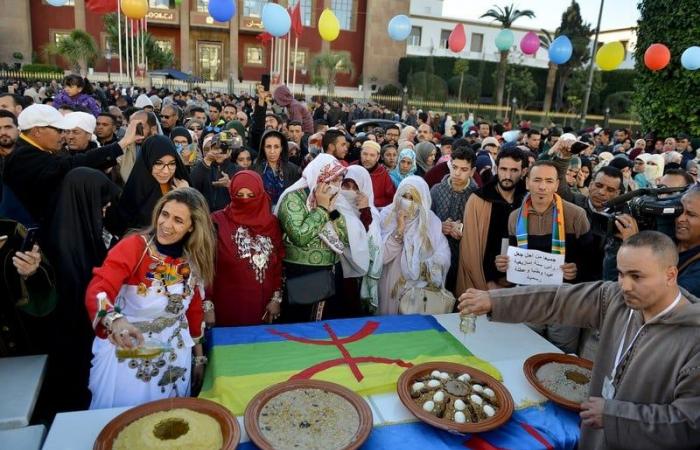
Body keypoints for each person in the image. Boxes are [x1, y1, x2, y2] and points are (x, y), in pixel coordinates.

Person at [458, 231, 700, 450]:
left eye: (637, 276)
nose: (625, 285)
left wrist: (614, 416)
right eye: (621, 274)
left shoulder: (694, 340)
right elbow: (557, 300)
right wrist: (495, 300)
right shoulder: (616, 299)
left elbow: (689, 424)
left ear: (670, 275)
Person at [85, 188, 215, 408]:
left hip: (176, 355)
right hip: (131, 350)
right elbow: (98, 289)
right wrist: (115, 320)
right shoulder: (134, 247)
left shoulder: (193, 259)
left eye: (178, 220)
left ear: (192, 226)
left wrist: (199, 358)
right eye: (164, 214)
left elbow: (193, 311)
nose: (166, 224)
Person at [44, 168, 120, 412]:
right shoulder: (57, 241)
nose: (105, 209)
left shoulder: (88, 227)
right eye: (101, 203)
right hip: (73, 338)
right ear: (84, 200)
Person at [496, 161, 591, 353]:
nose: (542, 186)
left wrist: (577, 269)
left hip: (565, 301)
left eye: (549, 181)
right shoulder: (515, 218)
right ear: (527, 183)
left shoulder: (576, 215)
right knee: (527, 348)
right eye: (537, 180)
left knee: (562, 352)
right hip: (529, 298)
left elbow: (591, 259)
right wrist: (503, 264)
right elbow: (512, 257)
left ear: (557, 184)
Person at [1, 104, 138, 229]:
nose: (64, 136)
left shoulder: (31, 150)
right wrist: (122, 143)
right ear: (37, 131)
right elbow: (68, 166)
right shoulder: (24, 155)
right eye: (59, 130)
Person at [275, 154, 349, 322]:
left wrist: (331, 210)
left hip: (331, 271)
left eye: (339, 180)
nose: (336, 185)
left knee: (330, 327)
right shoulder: (293, 199)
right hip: (304, 274)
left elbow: (343, 237)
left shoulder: (332, 199)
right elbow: (300, 237)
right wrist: (322, 209)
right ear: (319, 177)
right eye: (332, 179)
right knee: (303, 328)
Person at [208, 171, 284, 326]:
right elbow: (206, 265)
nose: (244, 201)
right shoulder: (218, 221)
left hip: (264, 307)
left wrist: (276, 298)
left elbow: (277, 264)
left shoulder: (272, 224)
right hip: (228, 306)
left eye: (251, 196)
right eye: (239, 195)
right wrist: (207, 304)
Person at [456, 148, 527, 293]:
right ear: (496, 168)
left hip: (520, 289)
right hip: (483, 285)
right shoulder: (479, 200)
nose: (507, 175)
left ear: (524, 172)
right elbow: (470, 251)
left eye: (514, 170)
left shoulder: (527, 201)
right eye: (503, 169)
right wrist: (486, 286)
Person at [379, 176, 450, 315]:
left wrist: (425, 266)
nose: (407, 202)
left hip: (420, 288)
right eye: (404, 196)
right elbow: (382, 257)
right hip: (392, 284)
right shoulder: (387, 216)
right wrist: (399, 229)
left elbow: (444, 254)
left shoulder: (431, 221)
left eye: (413, 198)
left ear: (422, 200)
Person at [114, 135, 190, 235]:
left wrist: (187, 196)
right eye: (158, 163)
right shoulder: (135, 192)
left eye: (172, 164)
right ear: (147, 162)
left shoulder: (181, 184)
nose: (166, 171)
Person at [430, 147, 476, 294]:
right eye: (454, 167)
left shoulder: (477, 195)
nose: (457, 173)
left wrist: (462, 229)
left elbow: (482, 229)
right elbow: (425, 220)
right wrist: (439, 226)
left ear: (472, 171)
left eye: (464, 169)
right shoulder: (436, 190)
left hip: (464, 260)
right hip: (435, 257)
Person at [342, 166, 384, 314]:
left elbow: (368, 238)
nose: (350, 191)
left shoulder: (372, 212)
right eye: (346, 186)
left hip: (361, 274)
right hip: (339, 270)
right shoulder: (334, 208)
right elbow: (339, 229)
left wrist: (364, 210)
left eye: (356, 188)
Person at [252, 130, 301, 208]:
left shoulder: (293, 169)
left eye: (276, 147)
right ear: (263, 148)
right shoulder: (254, 170)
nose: (272, 151)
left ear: (281, 148)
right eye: (268, 146)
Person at [190, 134, 239, 212]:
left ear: (229, 151)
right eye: (216, 148)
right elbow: (192, 186)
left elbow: (241, 196)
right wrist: (206, 161)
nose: (219, 152)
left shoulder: (237, 170)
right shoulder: (203, 165)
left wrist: (230, 185)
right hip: (205, 214)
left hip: (227, 215)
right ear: (211, 149)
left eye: (223, 149)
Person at [358, 140, 395, 208]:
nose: (367, 158)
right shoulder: (352, 168)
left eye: (372, 155)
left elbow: (390, 198)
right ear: (360, 154)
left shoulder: (383, 174)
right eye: (365, 154)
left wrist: (370, 202)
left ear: (378, 158)